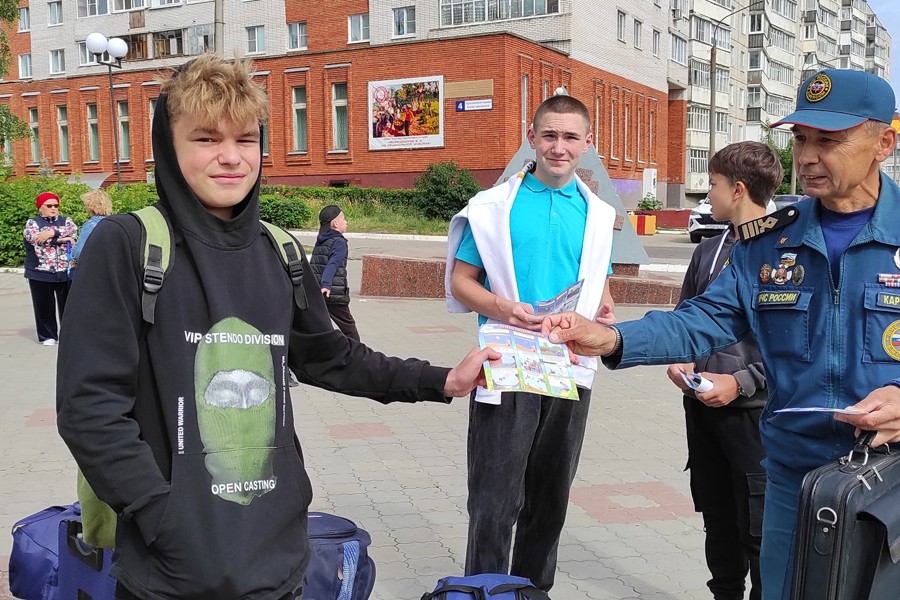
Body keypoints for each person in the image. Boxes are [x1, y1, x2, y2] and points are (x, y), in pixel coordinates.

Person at [56, 54, 496, 600]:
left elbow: (332, 357)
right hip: (171, 572)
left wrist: (442, 381)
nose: (230, 158)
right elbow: (89, 408)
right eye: (206, 139)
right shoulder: (126, 245)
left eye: (246, 140)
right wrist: (159, 515)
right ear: (169, 147)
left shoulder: (279, 251)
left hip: (279, 555)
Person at [541, 69, 900, 599]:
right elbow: (704, 319)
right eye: (800, 139)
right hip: (793, 479)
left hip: (890, 480)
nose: (805, 157)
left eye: (829, 141)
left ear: (883, 142)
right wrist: (612, 340)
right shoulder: (768, 243)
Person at [445, 93, 617, 591]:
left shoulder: (599, 214)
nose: (558, 147)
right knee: (495, 500)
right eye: (549, 135)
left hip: (568, 365)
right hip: (507, 362)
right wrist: (504, 308)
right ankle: (484, 590)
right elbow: (462, 281)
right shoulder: (495, 207)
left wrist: (605, 308)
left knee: (550, 499)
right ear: (531, 138)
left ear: (588, 143)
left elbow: (597, 281)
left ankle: (531, 590)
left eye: (569, 137)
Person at [668, 141, 782, 600]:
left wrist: (741, 382)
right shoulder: (709, 251)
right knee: (718, 520)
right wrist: (679, 360)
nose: (705, 197)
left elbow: (797, 350)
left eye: (711, 186)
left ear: (737, 190)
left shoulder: (787, 254)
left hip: (756, 416)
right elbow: (685, 318)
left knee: (759, 531)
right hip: (703, 410)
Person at [23, 191, 76, 345]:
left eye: (56, 205)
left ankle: (68, 335)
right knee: (43, 305)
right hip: (40, 272)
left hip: (65, 271)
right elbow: (36, 238)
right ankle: (48, 336)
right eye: (49, 205)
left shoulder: (66, 221)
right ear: (41, 208)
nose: (53, 208)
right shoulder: (32, 223)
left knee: (68, 306)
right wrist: (64, 239)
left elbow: (72, 230)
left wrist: (53, 233)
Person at [310, 204, 360, 341]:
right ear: (335, 223)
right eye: (344, 219)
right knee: (349, 329)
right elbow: (333, 264)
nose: (346, 222)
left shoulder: (321, 240)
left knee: (321, 327)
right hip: (332, 293)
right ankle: (357, 358)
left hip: (317, 292)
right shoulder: (339, 242)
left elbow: (313, 265)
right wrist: (326, 285)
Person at [71, 189, 113, 269]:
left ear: (90, 206)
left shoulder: (90, 225)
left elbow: (80, 251)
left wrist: (74, 259)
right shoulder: (114, 223)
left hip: (93, 269)